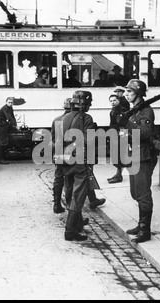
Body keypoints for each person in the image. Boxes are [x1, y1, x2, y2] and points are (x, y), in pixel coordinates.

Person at [124, 79, 158, 243]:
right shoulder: (134, 110)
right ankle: (141, 223)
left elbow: (144, 133)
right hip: (133, 155)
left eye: (130, 92)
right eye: (126, 91)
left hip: (143, 156)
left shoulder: (146, 111)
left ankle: (145, 230)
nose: (126, 94)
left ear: (138, 93)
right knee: (135, 192)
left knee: (143, 193)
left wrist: (127, 124)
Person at [61, 90, 96, 241]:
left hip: (64, 159)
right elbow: (89, 141)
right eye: (89, 103)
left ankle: (77, 224)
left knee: (69, 191)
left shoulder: (61, 118)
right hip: (80, 160)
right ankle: (70, 231)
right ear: (83, 104)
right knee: (78, 195)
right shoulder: (86, 118)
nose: (90, 106)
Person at [107, 94, 126, 184]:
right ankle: (118, 174)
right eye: (111, 101)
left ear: (118, 100)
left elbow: (122, 124)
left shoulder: (121, 110)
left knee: (118, 155)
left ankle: (119, 175)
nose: (112, 102)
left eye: (114, 100)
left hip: (119, 135)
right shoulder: (112, 111)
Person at [0, 97, 18, 164]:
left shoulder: (10, 108)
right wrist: (15, 125)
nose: (10, 104)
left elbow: (12, 117)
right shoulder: (5, 108)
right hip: (0, 124)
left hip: (3, 123)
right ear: (6, 102)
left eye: (11, 102)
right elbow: (9, 117)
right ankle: (1, 159)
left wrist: (15, 125)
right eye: (9, 102)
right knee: (3, 141)